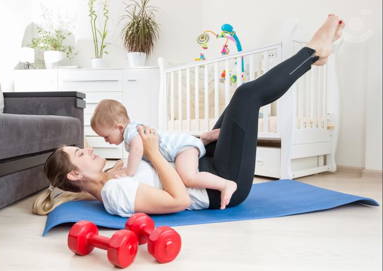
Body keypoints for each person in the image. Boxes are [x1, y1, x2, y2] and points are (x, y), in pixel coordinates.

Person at [36, 15, 345, 216]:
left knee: (238, 102)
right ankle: (313, 52)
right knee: (246, 96)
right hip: (221, 182)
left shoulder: (115, 175)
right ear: (75, 174)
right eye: (79, 152)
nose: (88, 147)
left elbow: (168, 157)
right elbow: (179, 200)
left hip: (204, 163)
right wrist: (154, 154)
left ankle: (312, 57)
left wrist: (194, 140)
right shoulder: (115, 192)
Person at [90, 99, 237, 207]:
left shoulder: (131, 134)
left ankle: (225, 184)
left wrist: (129, 171)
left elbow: (137, 150)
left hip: (182, 149)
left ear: (119, 127)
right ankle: (203, 139)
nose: (106, 141)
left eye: (106, 136)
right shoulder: (132, 130)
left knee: (189, 177)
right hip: (180, 146)